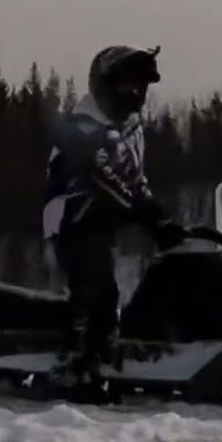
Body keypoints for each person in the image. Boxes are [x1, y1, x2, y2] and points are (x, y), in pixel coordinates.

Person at [42, 44, 187, 389]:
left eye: (142, 87)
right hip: (71, 216)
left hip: (102, 218)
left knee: (113, 290)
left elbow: (135, 180)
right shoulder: (83, 124)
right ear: (106, 84)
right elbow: (104, 175)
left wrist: (163, 221)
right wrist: (148, 217)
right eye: (129, 86)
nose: (136, 95)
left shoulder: (130, 128)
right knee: (98, 292)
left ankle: (114, 353)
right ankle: (77, 366)